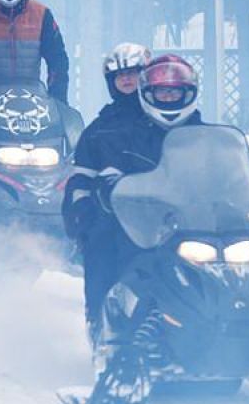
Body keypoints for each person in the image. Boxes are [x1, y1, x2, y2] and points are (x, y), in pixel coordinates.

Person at [62, 53, 203, 340]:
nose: (126, 80)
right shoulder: (108, 128)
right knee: (103, 245)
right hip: (130, 218)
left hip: (190, 217)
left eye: (133, 74)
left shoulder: (196, 131)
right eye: (119, 75)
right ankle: (104, 328)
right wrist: (86, 207)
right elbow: (88, 175)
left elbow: (222, 169)